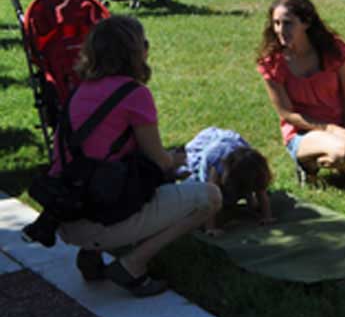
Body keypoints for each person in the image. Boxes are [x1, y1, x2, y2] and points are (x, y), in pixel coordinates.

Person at [56, 17, 221, 297]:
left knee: (113, 174)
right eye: (144, 44)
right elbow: (160, 161)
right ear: (134, 53)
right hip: (98, 218)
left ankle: (91, 254)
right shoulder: (134, 94)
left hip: (65, 213)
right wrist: (178, 158)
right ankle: (132, 265)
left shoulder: (80, 91)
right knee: (209, 197)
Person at [257, 0, 345, 193]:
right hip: (302, 132)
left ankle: (340, 160)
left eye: (288, 23)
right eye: (276, 23)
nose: (280, 30)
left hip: (341, 128)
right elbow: (287, 114)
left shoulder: (333, 51)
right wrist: (330, 130)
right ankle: (307, 165)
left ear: (306, 22)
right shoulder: (272, 63)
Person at [183, 127, 273, 237]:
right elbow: (209, 197)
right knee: (194, 197)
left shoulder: (253, 166)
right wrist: (210, 228)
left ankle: (248, 198)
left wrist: (266, 216)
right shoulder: (216, 167)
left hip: (229, 144)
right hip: (205, 146)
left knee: (253, 204)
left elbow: (261, 191)